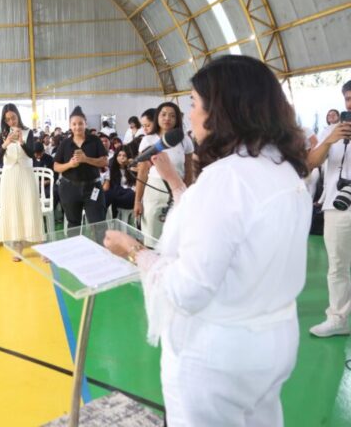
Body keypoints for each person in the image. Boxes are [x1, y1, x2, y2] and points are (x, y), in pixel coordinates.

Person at [104, 55, 311, 426]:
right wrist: (174, 183)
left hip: (218, 356)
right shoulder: (284, 169)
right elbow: (223, 230)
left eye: (194, 104)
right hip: (273, 342)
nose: (190, 116)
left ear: (222, 112)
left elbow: (189, 289)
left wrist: (134, 251)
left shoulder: (226, 180)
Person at [307, 80, 351, 337]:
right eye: (348, 99)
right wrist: (329, 141)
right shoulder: (331, 131)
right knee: (337, 265)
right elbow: (310, 163)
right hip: (337, 205)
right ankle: (338, 319)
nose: (350, 104)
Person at [134, 103, 194, 240]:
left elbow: (189, 171)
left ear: (177, 119)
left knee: (175, 235)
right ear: (157, 117)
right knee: (151, 234)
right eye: (164, 114)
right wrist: (137, 201)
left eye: (172, 116)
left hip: (177, 190)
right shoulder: (148, 140)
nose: (167, 118)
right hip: (153, 191)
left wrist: (185, 196)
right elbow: (142, 173)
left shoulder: (185, 140)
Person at [0, 103, 44, 261]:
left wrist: (22, 142)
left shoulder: (28, 132)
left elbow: (31, 154)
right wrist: (6, 142)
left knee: (31, 206)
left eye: (13, 117)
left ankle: (41, 245)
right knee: (13, 208)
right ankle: (18, 245)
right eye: (8, 119)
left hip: (25, 173)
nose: (11, 121)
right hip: (9, 175)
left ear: (18, 116)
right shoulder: (2, 135)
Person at [53, 106, 109, 227]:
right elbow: (56, 166)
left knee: (98, 223)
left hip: (92, 187)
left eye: (80, 123)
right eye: (74, 124)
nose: (77, 127)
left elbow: (105, 161)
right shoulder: (65, 143)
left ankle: (98, 240)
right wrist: (70, 164)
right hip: (69, 188)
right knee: (73, 224)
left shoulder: (95, 140)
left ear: (85, 124)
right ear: (70, 125)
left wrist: (86, 159)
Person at [104, 149, 136, 218]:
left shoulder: (132, 169)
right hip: (119, 194)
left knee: (131, 195)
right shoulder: (112, 169)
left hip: (130, 195)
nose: (122, 157)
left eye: (124, 156)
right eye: (119, 155)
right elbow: (114, 188)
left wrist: (130, 165)